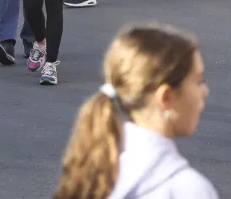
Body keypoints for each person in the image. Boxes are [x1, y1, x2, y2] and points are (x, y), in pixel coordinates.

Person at [54, 24, 216, 199]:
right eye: (198, 81)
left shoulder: (91, 171)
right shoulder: (187, 189)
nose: (204, 91)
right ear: (166, 97)